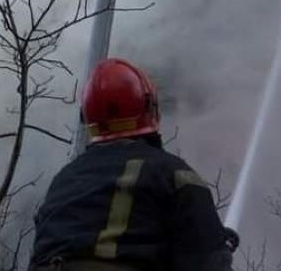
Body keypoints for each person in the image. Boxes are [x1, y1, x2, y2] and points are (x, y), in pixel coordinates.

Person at [29, 58, 239, 271]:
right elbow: (210, 264)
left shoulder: (64, 179)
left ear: (87, 117)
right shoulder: (173, 175)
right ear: (149, 106)